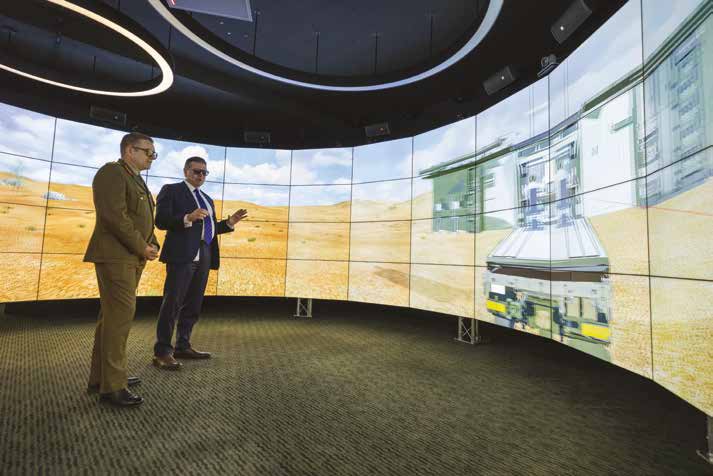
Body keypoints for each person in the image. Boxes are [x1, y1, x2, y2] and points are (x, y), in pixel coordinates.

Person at [84, 132, 160, 407]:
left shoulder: (136, 179)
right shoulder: (112, 173)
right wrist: (142, 247)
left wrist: (152, 243)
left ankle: (101, 378)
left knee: (111, 319)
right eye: (148, 152)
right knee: (119, 319)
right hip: (116, 257)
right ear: (130, 150)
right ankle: (113, 387)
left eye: (153, 153)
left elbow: (144, 219)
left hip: (129, 256)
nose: (152, 157)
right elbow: (115, 217)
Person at [152, 157, 247, 370]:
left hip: (205, 254)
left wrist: (229, 223)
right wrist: (187, 217)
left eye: (205, 173)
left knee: (193, 304)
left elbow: (209, 228)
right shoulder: (171, 190)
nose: (201, 176)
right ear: (186, 171)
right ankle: (162, 352)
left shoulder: (207, 199)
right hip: (182, 255)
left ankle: (182, 346)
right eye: (197, 171)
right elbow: (161, 221)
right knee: (172, 303)